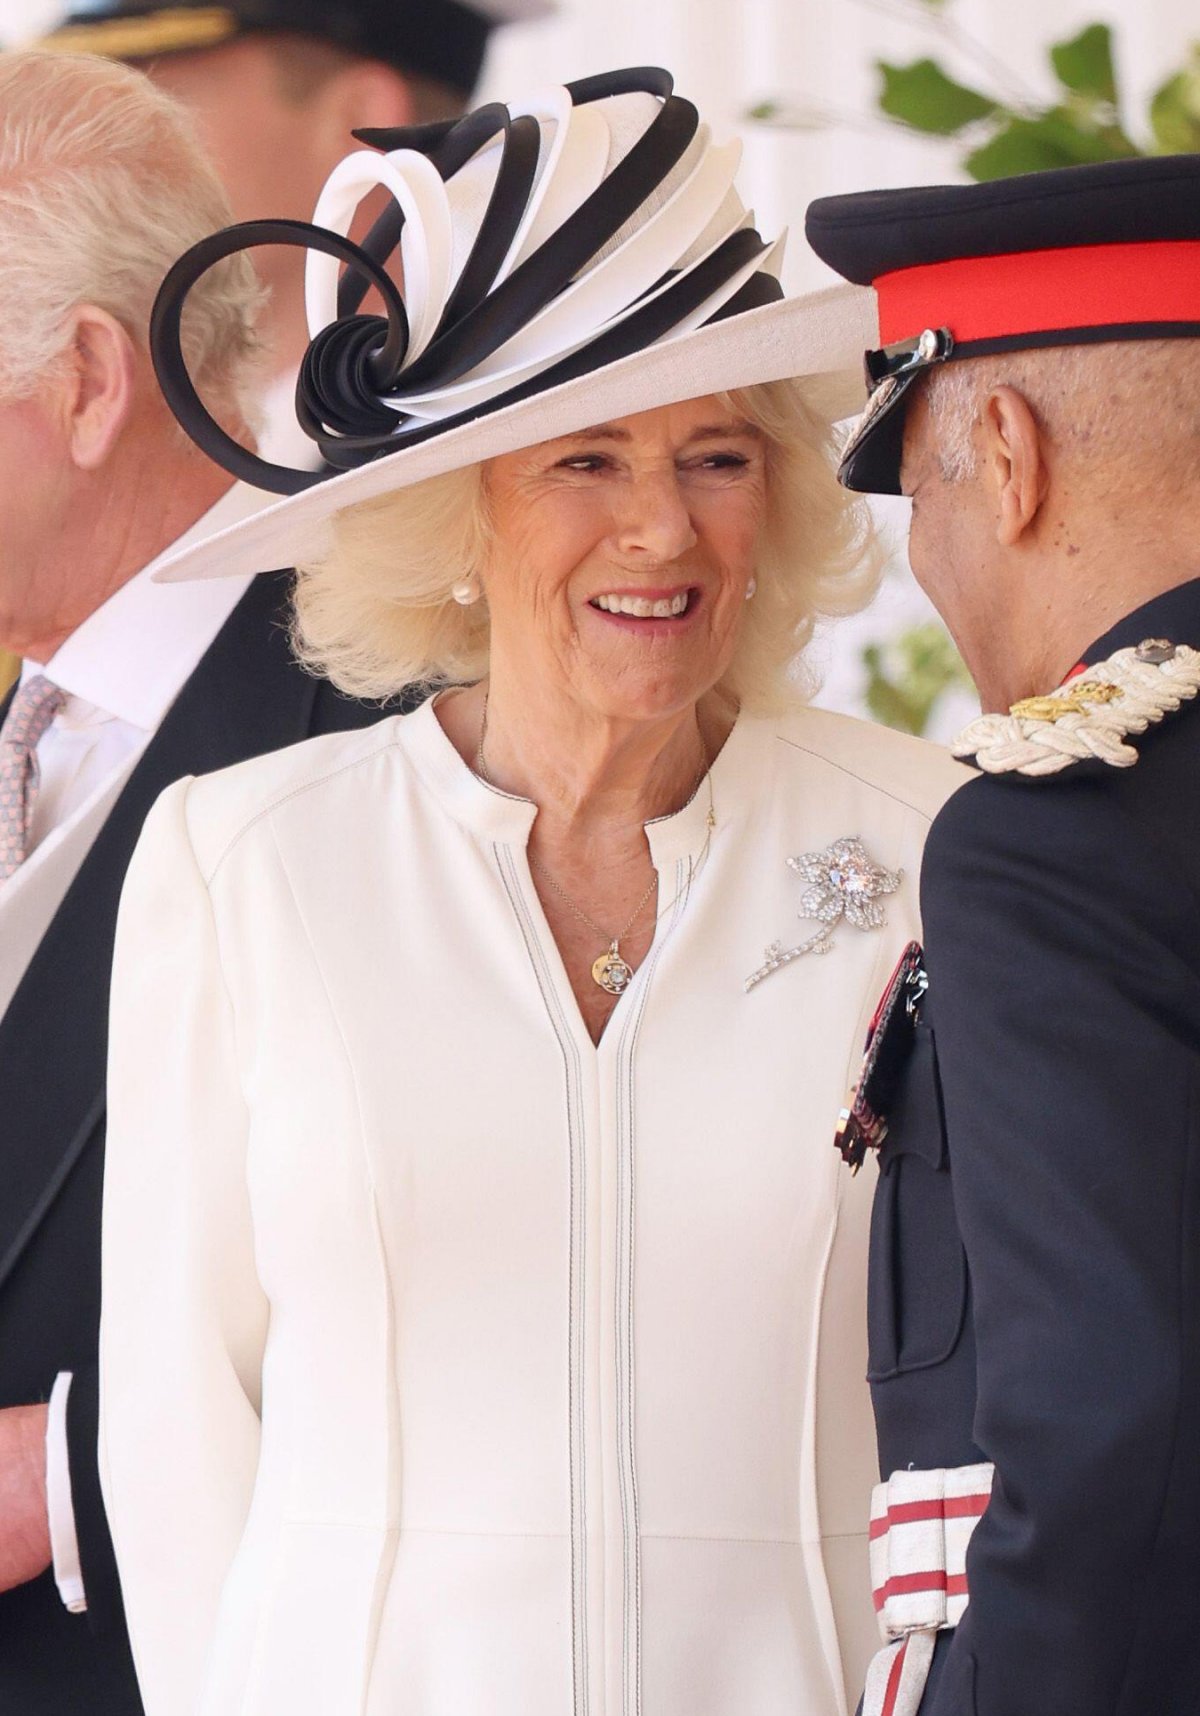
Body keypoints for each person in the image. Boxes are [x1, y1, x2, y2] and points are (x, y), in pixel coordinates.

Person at [98, 68, 967, 1716]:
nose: (661, 528)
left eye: (716, 454)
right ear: (454, 506)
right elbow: (175, 1425)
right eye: (584, 460)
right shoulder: (246, 863)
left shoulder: (932, 848)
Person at [0, 50, 401, 1716]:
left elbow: (505, 1244)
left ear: (90, 380)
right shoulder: (38, 705)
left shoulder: (389, 718)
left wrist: (72, 1466)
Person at [805, 155, 1200, 1715]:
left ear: (1010, 455)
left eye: (929, 493)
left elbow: (1119, 1430)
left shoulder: (1064, 834)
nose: (935, 562)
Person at [39, 0, 554, 462]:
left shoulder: (510, 435)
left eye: (161, 108)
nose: (107, 159)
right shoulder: (128, 431)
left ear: (361, 120)